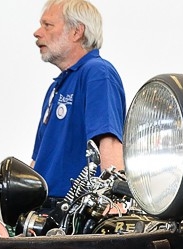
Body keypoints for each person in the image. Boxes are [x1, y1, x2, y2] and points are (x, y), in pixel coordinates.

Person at [31, 0, 125, 199]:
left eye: (47, 25)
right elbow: (38, 161)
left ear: (76, 32)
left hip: (76, 210)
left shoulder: (97, 72)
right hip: (45, 210)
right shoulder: (56, 88)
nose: (37, 33)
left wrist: (113, 200)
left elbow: (109, 142)